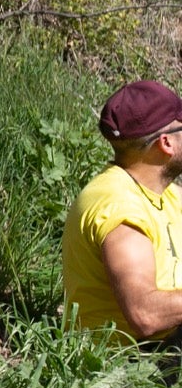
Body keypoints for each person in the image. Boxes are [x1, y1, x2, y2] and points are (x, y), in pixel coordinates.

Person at [61, 81, 182, 345]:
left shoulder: (166, 194)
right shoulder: (117, 206)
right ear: (166, 143)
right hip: (129, 367)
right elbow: (145, 313)